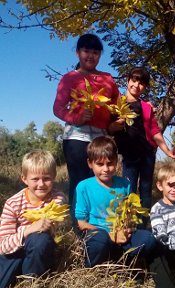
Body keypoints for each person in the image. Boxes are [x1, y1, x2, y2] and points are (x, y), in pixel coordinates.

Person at [73, 136, 175, 287]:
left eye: (110, 163)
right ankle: (94, 268)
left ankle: (127, 262)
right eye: (99, 164)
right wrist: (110, 235)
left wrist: (127, 229)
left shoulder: (124, 184)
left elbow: (130, 215)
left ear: (116, 161)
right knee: (99, 240)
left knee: (149, 238)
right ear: (90, 164)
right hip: (99, 236)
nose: (106, 169)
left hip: (121, 235)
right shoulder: (83, 187)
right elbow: (81, 223)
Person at [53, 33, 120, 206]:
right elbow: (58, 108)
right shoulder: (69, 78)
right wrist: (76, 117)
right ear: (78, 53)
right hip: (76, 137)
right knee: (80, 183)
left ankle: (100, 225)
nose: (91, 56)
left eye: (96, 52)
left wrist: (117, 122)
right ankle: (80, 227)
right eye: (86, 51)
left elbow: (118, 107)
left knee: (102, 181)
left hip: (101, 138)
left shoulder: (107, 79)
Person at [113, 67, 175, 213]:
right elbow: (109, 128)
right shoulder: (117, 104)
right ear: (128, 81)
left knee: (145, 189)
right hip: (129, 155)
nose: (136, 85)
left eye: (141, 83)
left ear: (145, 87)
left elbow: (155, 131)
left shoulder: (146, 107)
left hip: (147, 154)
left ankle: (144, 224)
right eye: (134, 80)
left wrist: (167, 151)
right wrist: (116, 124)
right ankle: (128, 223)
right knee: (128, 190)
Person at [0, 150, 66, 288]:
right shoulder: (13, 204)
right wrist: (28, 229)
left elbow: (52, 228)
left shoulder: (57, 198)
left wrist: (36, 230)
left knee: (39, 238)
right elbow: (3, 246)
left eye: (46, 178)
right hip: (14, 251)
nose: (41, 184)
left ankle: (33, 281)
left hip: (40, 249)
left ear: (54, 176)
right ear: (24, 179)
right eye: (35, 179)